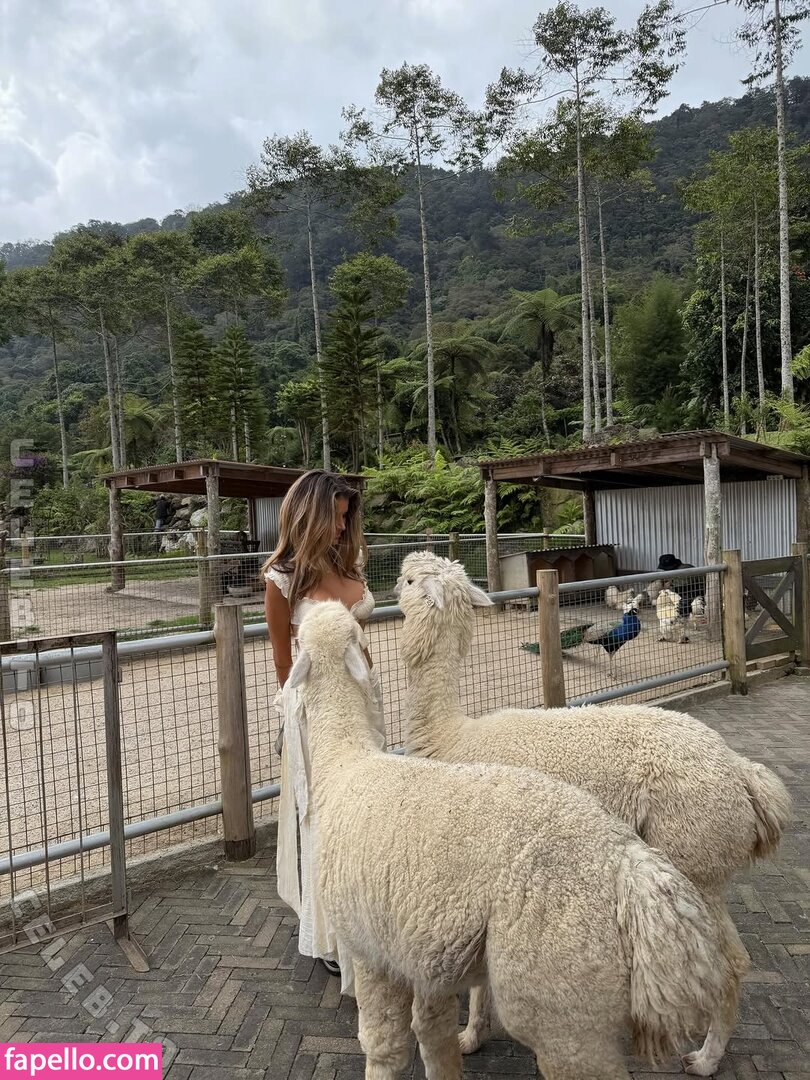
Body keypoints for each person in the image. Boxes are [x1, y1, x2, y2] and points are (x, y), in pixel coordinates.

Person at [262, 470, 384, 991]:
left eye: (345, 517)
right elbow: (282, 662)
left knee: (365, 811)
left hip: (363, 703)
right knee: (325, 817)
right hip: (317, 713)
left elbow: (357, 636)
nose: (340, 526)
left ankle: (366, 911)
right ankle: (331, 933)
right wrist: (297, 720)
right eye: (334, 516)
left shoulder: (349, 563)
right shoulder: (282, 580)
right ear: (308, 515)